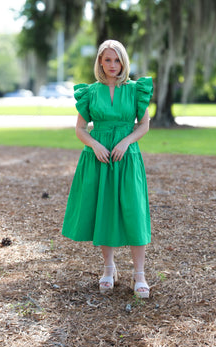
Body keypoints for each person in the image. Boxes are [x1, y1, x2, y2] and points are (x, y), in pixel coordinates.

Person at [62, 39, 153, 298]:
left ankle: (139, 275)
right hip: (99, 158)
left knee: (134, 211)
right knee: (104, 211)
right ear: (100, 62)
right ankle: (108, 269)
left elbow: (144, 125)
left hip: (127, 156)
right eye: (107, 60)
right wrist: (94, 145)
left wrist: (126, 142)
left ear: (123, 61)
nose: (113, 65)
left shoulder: (136, 90)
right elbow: (80, 129)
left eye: (117, 59)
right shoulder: (90, 92)